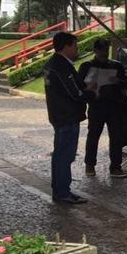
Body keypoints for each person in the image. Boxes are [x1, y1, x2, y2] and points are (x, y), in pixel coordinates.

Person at [43, 32, 91, 204]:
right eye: (75, 46)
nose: (77, 49)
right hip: (66, 115)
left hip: (59, 115)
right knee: (65, 155)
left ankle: (60, 190)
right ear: (66, 46)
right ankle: (63, 191)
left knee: (60, 155)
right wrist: (89, 92)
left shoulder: (53, 64)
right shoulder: (61, 66)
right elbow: (74, 92)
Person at [79, 39, 127, 179]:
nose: (104, 53)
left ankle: (116, 166)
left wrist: (118, 81)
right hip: (96, 105)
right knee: (93, 136)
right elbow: (79, 85)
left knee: (116, 138)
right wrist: (89, 88)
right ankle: (90, 164)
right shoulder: (87, 66)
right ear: (95, 50)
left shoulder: (116, 66)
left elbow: (126, 83)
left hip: (114, 106)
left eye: (106, 50)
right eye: (101, 50)